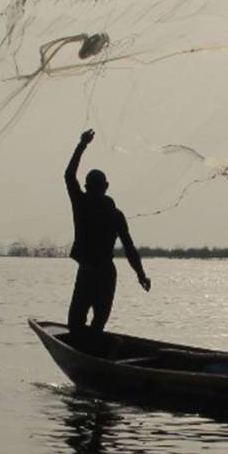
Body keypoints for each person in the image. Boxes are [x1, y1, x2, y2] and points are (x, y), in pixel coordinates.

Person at [64, 129, 151, 333]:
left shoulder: (83, 203)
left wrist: (82, 145)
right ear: (106, 187)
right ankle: (91, 352)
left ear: (88, 187)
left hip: (95, 273)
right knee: (94, 326)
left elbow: (69, 176)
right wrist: (140, 275)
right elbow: (129, 248)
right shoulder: (106, 211)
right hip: (100, 274)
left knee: (79, 326)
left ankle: (88, 355)